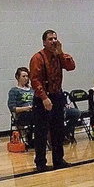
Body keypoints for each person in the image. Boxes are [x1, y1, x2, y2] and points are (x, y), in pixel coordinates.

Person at [29, 29, 75, 171]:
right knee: (41, 132)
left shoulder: (58, 56)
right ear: (44, 42)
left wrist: (61, 53)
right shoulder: (38, 57)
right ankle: (41, 163)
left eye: (55, 38)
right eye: (50, 39)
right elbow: (35, 80)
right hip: (43, 98)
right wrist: (44, 98)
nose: (53, 41)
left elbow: (71, 67)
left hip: (57, 96)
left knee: (58, 130)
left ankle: (58, 160)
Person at [8, 66, 34, 146]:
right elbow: (13, 108)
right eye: (23, 76)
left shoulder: (32, 89)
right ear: (17, 77)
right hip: (22, 115)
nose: (26, 78)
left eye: (27, 76)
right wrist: (26, 108)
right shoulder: (14, 91)